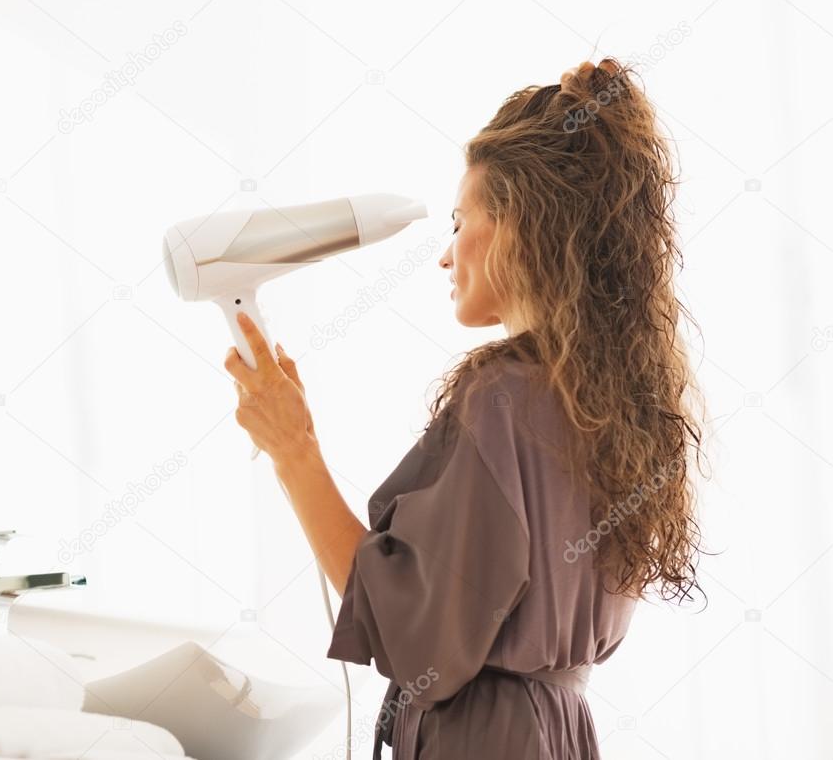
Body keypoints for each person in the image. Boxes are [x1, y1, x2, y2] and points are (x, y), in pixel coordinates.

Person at [223, 57, 709, 759]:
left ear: (519, 226)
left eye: (459, 221)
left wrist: (294, 452)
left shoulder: (503, 397)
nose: (445, 257)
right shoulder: (613, 400)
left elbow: (412, 628)